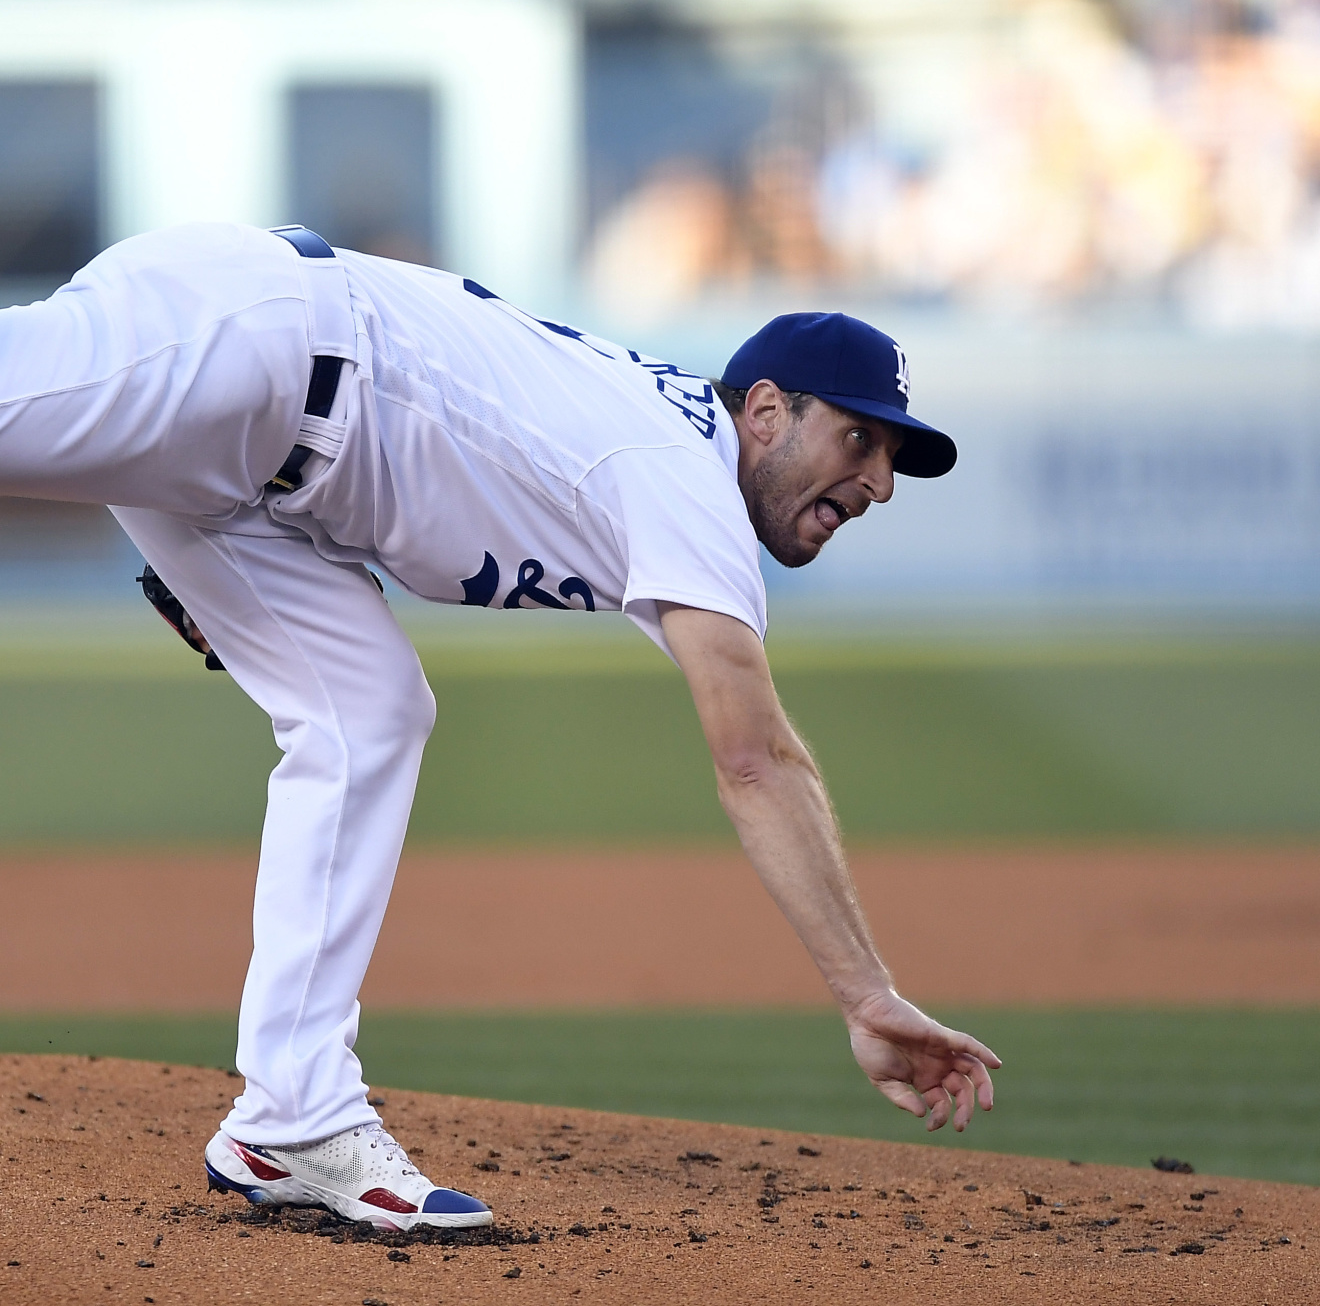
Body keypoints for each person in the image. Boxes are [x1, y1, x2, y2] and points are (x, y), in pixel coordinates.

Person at [0, 220, 1000, 1232]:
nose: (876, 482)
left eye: (891, 460)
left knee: (368, 712)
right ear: (769, 411)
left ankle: (291, 1117)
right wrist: (865, 991)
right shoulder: (681, 473)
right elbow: (757, 760)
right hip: (257, 342)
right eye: (859, 440)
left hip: (261, 464)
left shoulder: (670, 459)